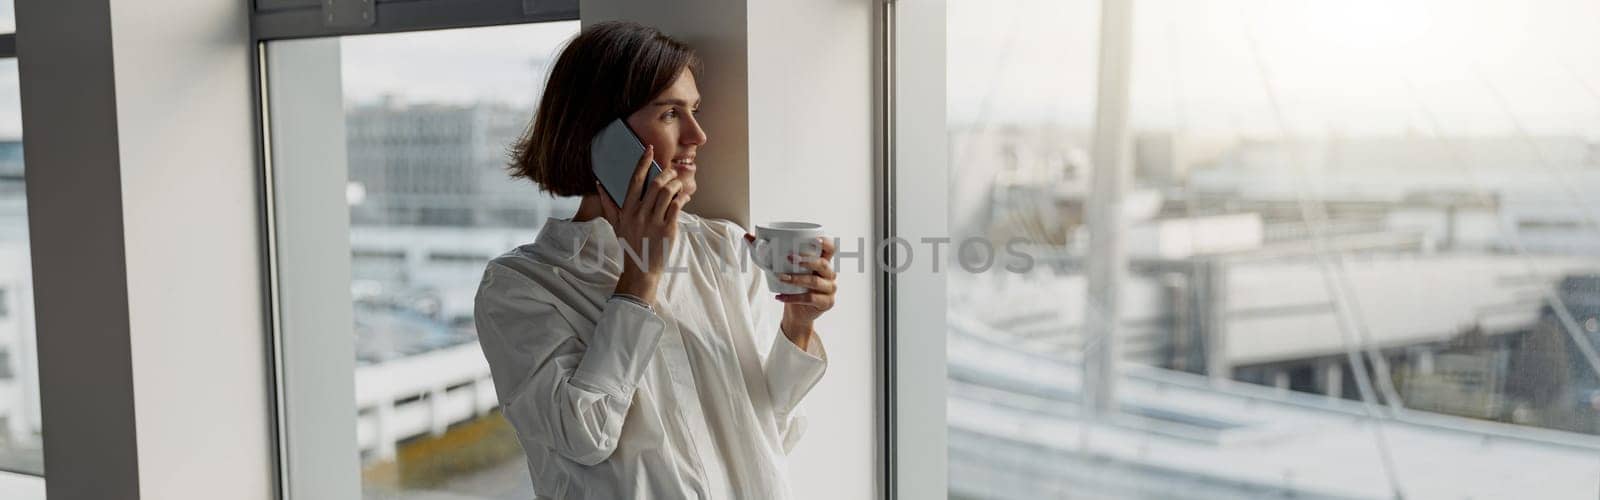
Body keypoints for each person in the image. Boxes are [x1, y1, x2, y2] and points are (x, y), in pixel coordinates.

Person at [474, 21, 839, 500]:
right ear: (602, 138)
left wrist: (799, 324)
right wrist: (640, 277)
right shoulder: (520, 287)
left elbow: (770, 432)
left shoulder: (725, 249)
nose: (699, 135)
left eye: (695, 110)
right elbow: (583, 437)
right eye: (671, 113)